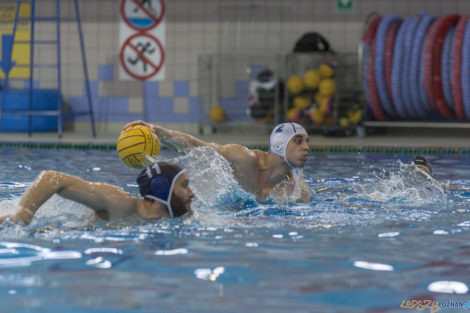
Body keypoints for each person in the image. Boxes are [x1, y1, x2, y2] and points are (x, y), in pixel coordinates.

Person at [123, 121, 311, 202]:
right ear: (279, 144)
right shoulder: (244, 159)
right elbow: (197, 146)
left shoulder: (297, 191)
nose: (306, 147)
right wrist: (158, 132)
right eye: (298, 141)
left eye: (306, 141)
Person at [0, 162, 195, 225]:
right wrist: (23, 214)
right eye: (185, 185)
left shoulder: (184, 217)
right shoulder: (120, 203)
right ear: (162, 188)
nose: (192, 193)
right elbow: (53, 178)